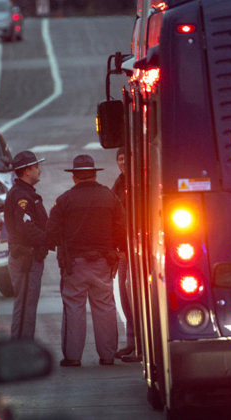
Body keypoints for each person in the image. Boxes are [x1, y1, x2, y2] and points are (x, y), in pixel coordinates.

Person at [46, 155, 126, 367]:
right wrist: (119, 250)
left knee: (73, 307)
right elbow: (122, 228)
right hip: (104, 262)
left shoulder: (64, 200)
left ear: (74, 177)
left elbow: (51, 232)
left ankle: (73, 357)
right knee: (105, 307)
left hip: (74, 265)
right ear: (95, 174)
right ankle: (108, 356)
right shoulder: (109, 197)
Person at [4, 151, 49, 340]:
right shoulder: (21, 196)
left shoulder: (26, 193)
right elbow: (26, 228)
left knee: (27, 306)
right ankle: (20, 350)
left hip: (30, 259)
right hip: (26, 260)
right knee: (24, 307)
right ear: (27, 171)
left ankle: (24, 346)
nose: (40, 170)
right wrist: (48, 240)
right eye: (36, 167)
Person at [111, 147, 138, 362]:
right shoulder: (119, 183)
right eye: (119, 159)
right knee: (125, 296)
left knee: (134, 294)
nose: (122, 162)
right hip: (122, 248)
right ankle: (132, 342)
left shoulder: (138, 182)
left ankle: (140, 343)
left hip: (135, 248)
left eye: (125, 158)